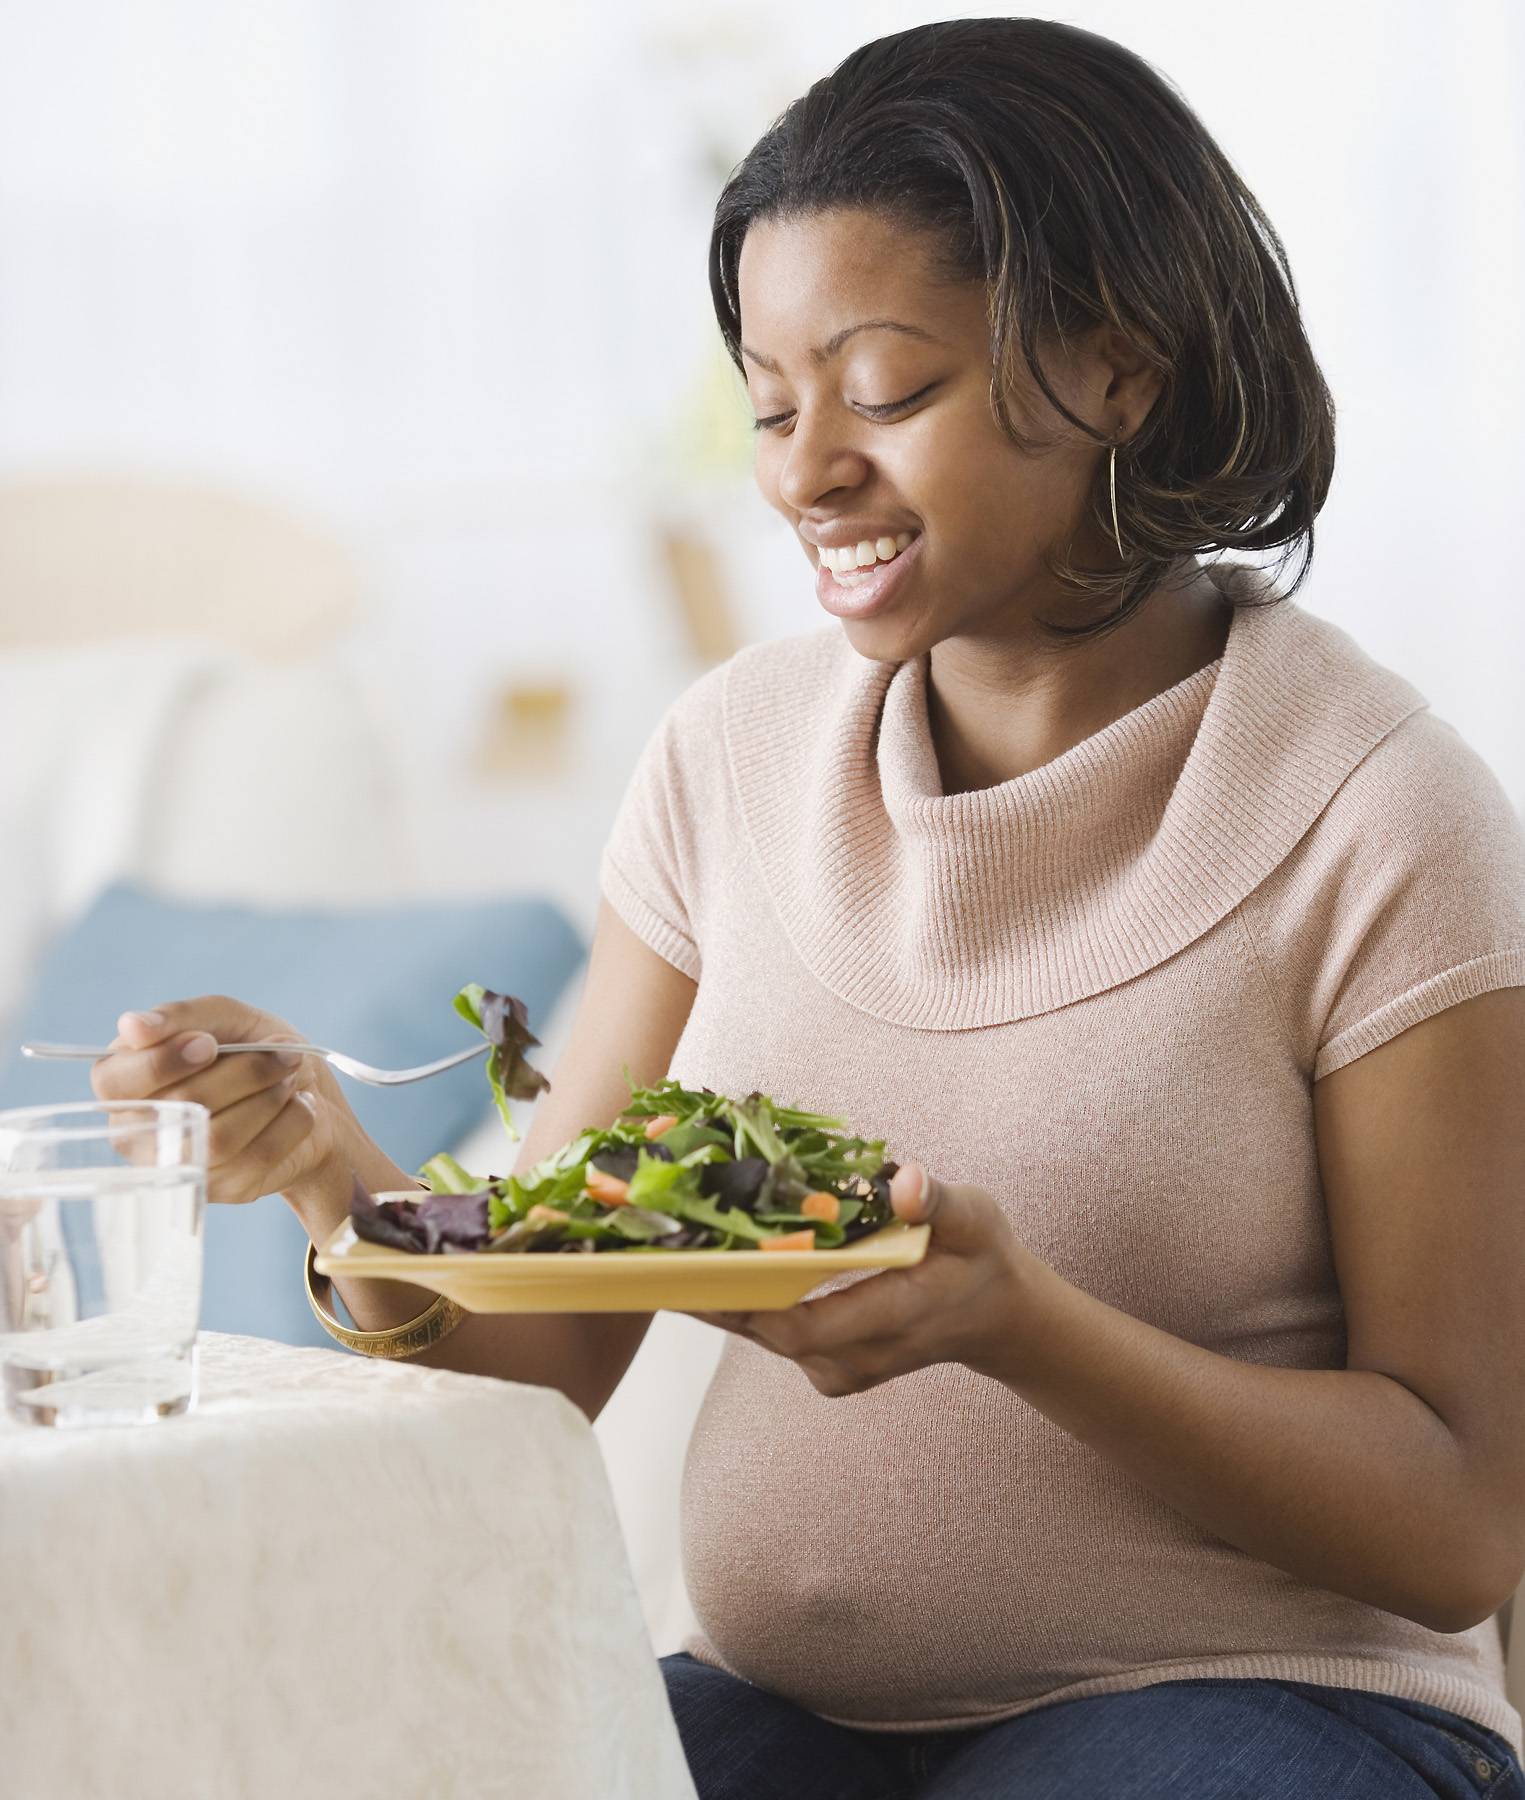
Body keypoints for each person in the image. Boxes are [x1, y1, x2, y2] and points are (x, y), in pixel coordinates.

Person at [94, 17, 1525, 1799]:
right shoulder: (728, 761)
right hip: (787, 1720)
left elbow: (1459, 1520)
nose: (802, 472)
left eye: (887, 393)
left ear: (1120, 371)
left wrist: (1023, 1324)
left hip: (1271, 1701)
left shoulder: (1378, 811)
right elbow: (539, 1357)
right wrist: (326, 1161)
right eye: (775, 405)